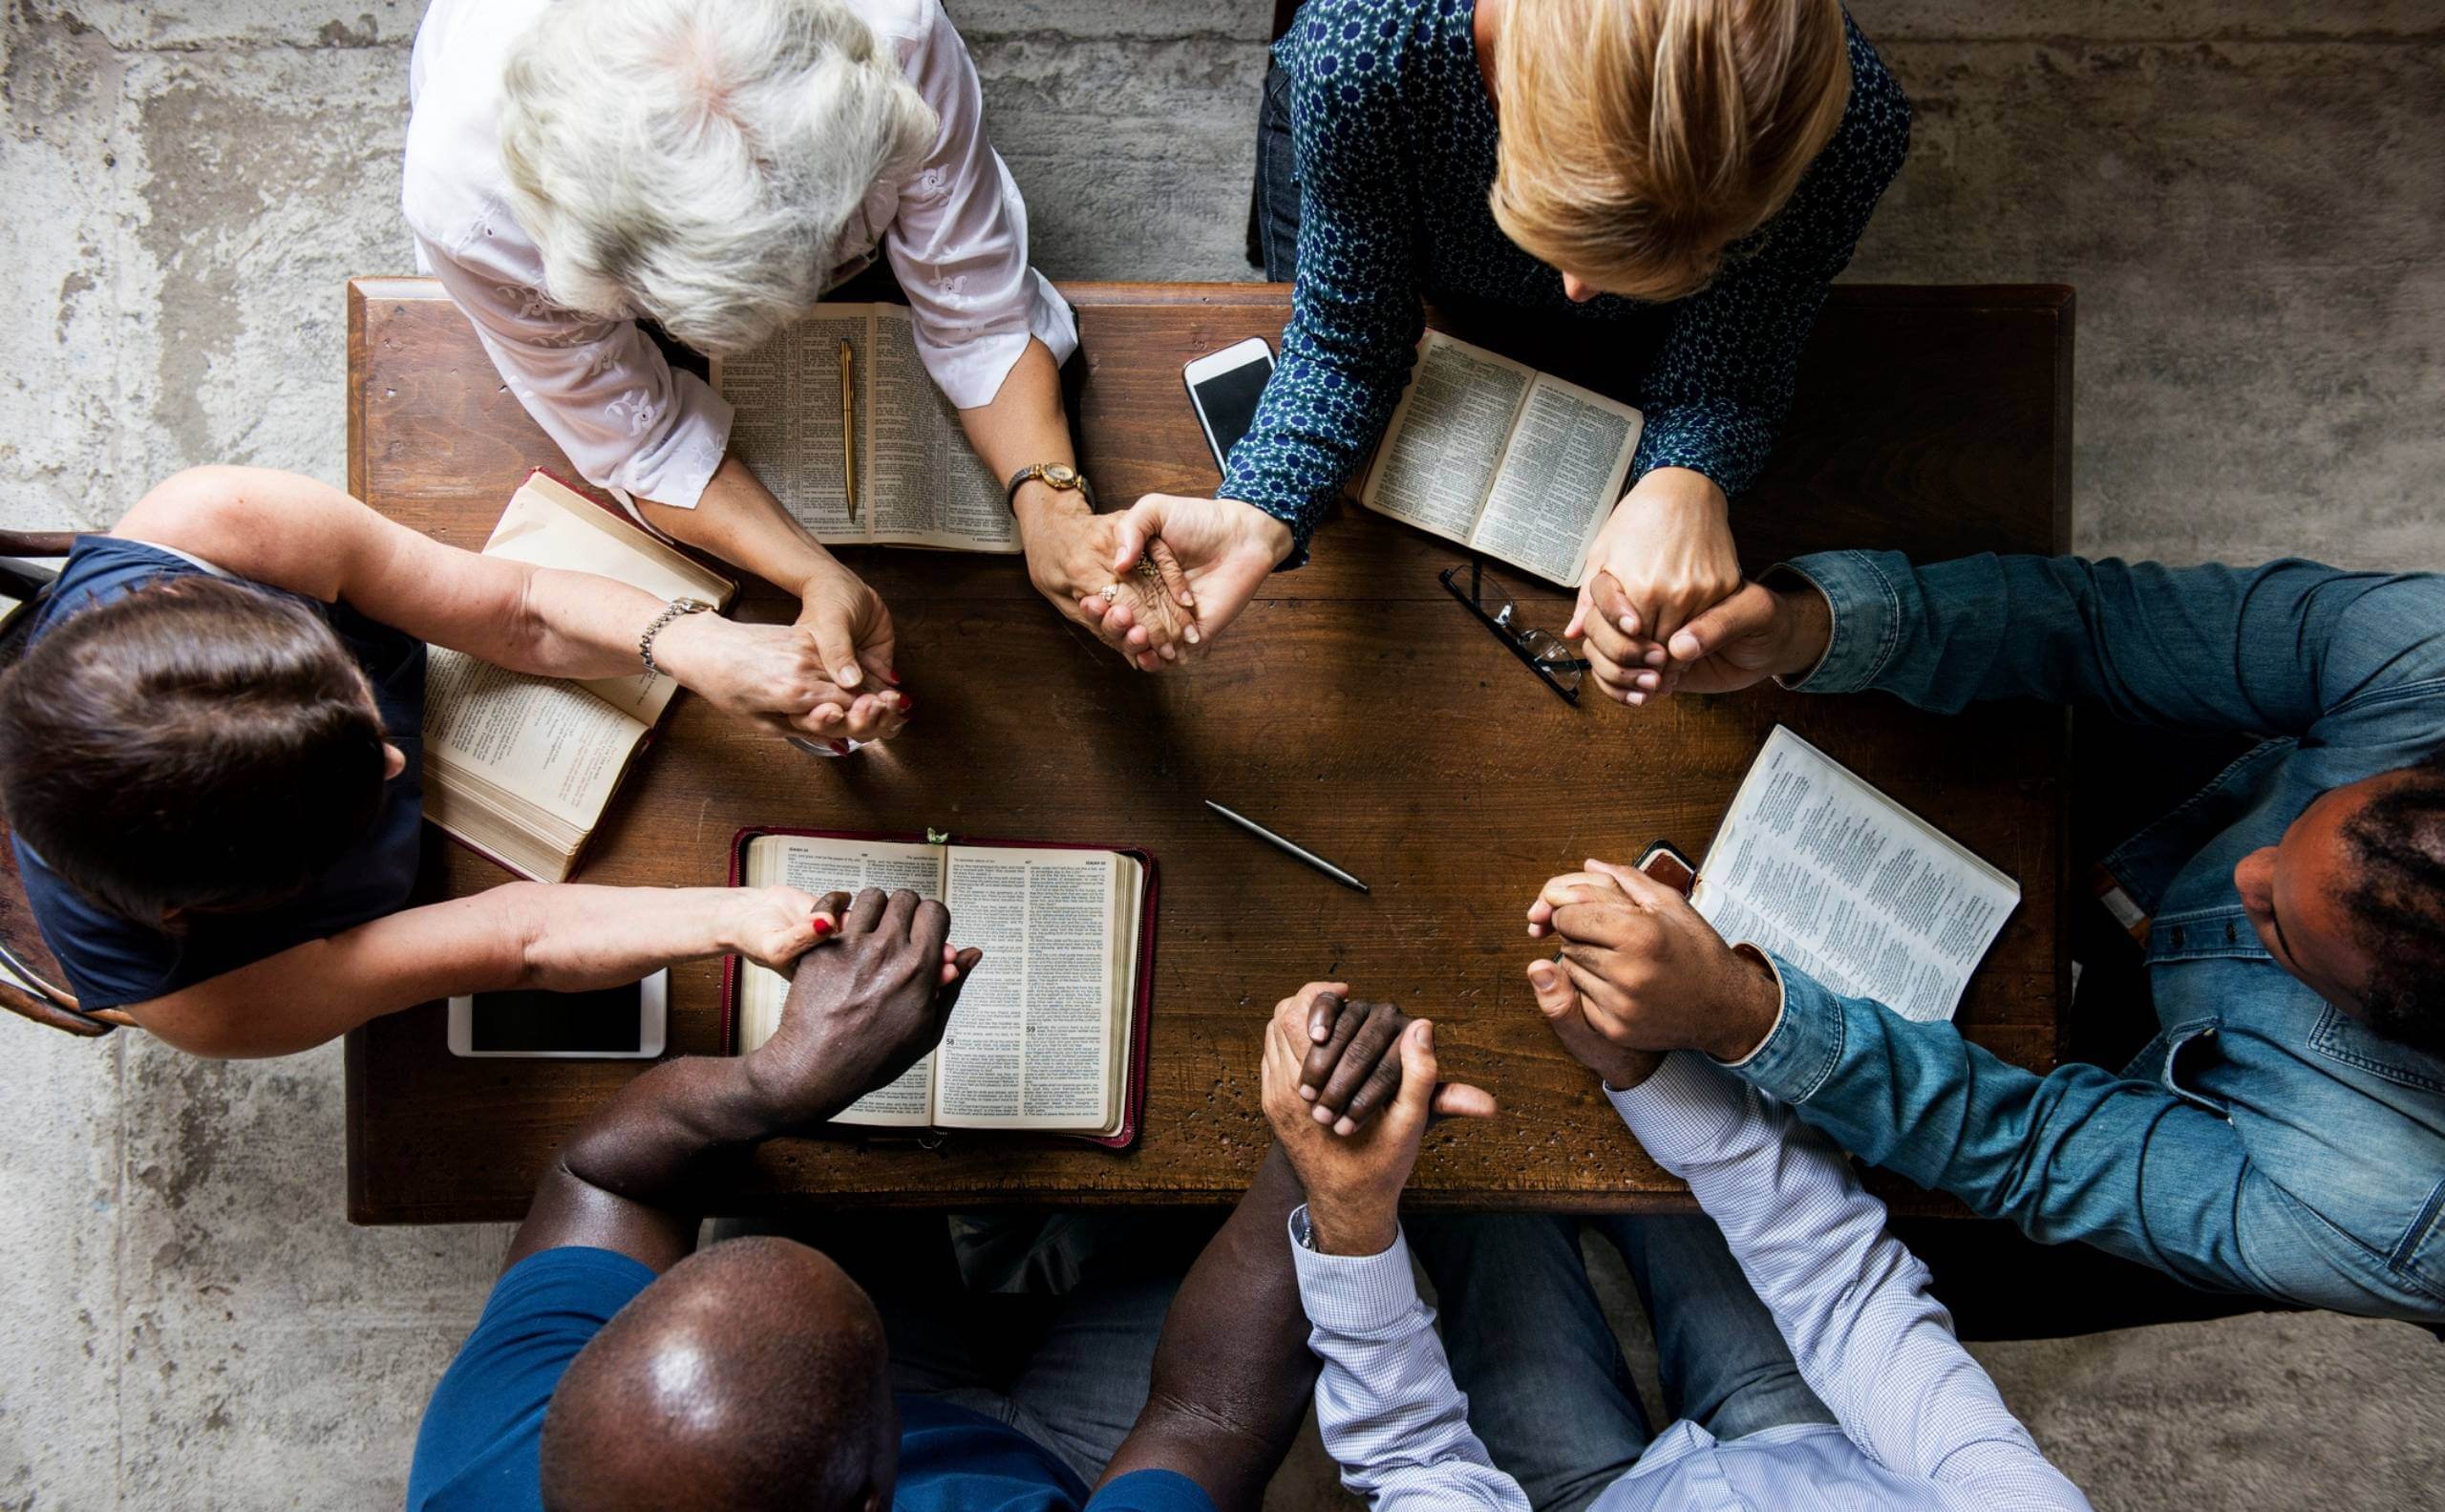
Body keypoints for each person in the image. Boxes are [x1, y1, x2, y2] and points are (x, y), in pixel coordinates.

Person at [1530, 550, 2445, 1322]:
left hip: (2228, 1132)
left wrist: (1742, 1014)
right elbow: (2100, 621)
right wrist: (1810, 625)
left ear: (2380, 1022)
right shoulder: (2427, 663)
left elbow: (2032, 1150)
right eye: (2303, 818)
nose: (2249, 873)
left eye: (2281, 925)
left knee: (1904, 1263)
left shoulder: (2387, 1210)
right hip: (2183, 805)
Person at [410, 886, 1322, 1512]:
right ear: (875, 1497)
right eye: (881, 1382)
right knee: (1214, 1205)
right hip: (1082, 1465)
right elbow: (1207, 1417)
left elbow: (600, 1178)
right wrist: (1315, 1154)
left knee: (812, 1166)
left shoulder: (490, 1459)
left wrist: (780, 1081)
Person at [1095, 0, 1909, 689]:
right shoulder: (1363, 50)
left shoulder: (1855, 126)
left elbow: (1743, 348)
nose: (1578, 295)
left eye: (1681, 256)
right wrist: (1258, 508)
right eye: (1566, 229)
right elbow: (1348, 339)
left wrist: (1687, 475)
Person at [403, 0, 1189, 697]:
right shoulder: (468, 206)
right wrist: (815, 575)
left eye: (848, 245)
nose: (829, 282)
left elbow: (977, 306)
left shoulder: (895, 31)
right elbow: (642, 439)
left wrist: (1051, 507)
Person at [0, 467, 873, 1058]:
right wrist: (738, 917)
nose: (390, 757)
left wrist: (693, 643)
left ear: (203, 599)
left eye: (350, 697)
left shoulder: (210, 528)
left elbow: (521, 607)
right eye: (345, 804)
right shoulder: (208, 999)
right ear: (203, 905)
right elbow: (518, 940)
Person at [1262, 976, 2090, 1511]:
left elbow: (1415, 1459)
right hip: (1810, 1435)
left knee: (1463, 1162)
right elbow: (1852, 1296)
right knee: (1657, 1112)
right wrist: (1648, 1071)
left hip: (1577, 1498)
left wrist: (1353, 1216)